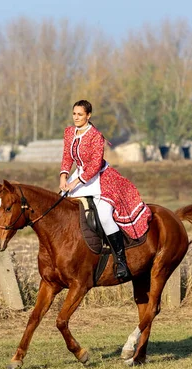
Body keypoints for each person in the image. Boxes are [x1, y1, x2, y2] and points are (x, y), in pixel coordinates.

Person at [59, 100, 151, 282]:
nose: (76, 117)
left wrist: (75, 181)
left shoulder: (96, 136)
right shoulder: (69, 132)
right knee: (61, 206)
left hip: (100, 178)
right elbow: (67, 156)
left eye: (80, 114)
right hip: (77, 176)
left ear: (88, 116)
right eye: (74, 114)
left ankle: (121, 261)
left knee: (104, 215)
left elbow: (94, 165)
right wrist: (63, 176)